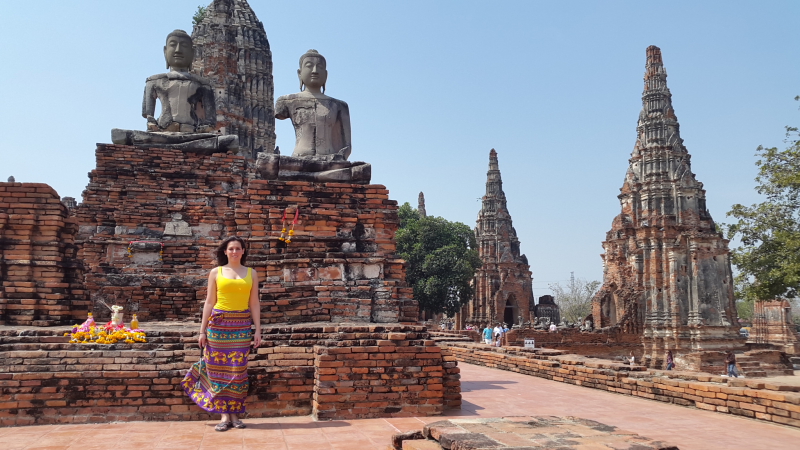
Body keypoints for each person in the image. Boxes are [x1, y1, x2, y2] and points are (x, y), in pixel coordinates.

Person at [182, 236, 262, 432]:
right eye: (231, 249)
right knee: (217, 370)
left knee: (238, 370)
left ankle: (235, 413)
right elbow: (209, 302)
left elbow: (254, 303)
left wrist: (258, 329)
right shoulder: (216, 272)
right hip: (218, 325)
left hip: (241, 325)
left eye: (238, 248)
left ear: (243, 251)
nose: (234, 252)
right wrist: (202, 331)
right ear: (225, 251)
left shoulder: (251, 273)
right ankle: (224, 415)